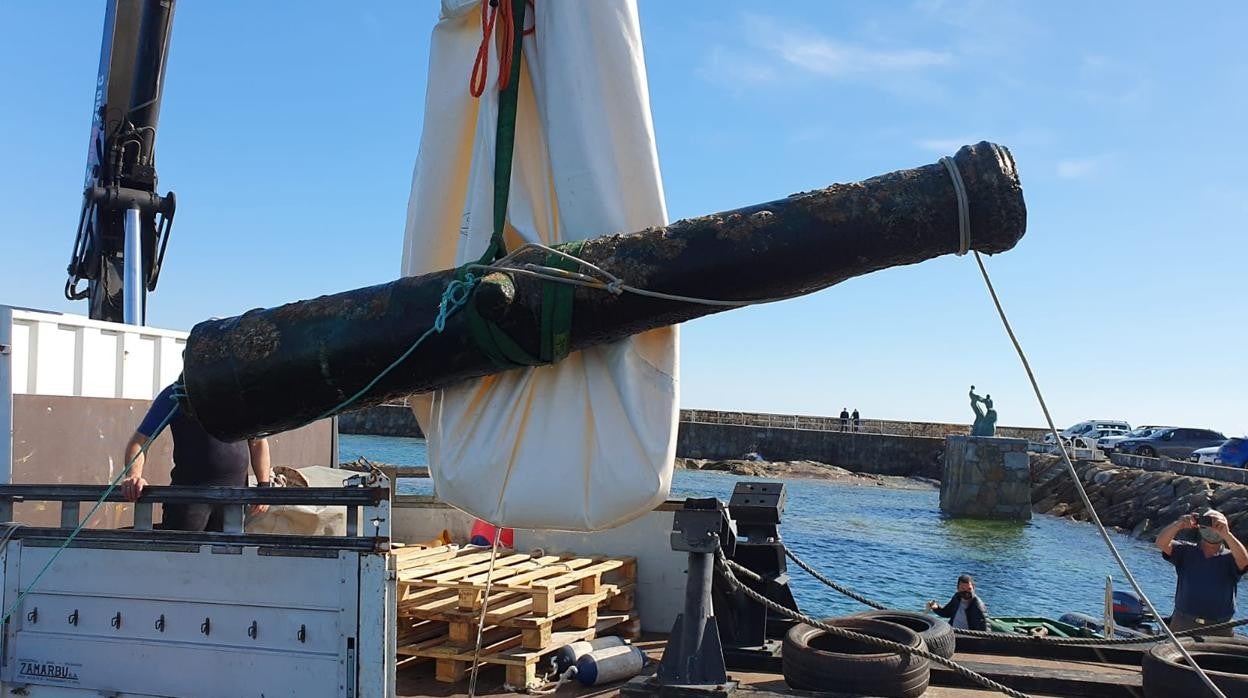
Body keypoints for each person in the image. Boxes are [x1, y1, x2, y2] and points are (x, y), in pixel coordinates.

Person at [121, 382, 271, 531]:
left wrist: (264, 485)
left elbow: (257, 442)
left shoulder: (242, 393)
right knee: (182, 553)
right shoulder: (177, 394)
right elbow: (140, 440)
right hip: (188, 500)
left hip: (234, 500)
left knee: (227, 554)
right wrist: (133, 476)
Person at [1155, 508, 1248, 636]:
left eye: (1217, 525)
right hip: (1183, 623)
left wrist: (1226, 534)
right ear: (1199, 527)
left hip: (1220, 627)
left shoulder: (1231, 557)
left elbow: (1244, 561)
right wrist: (1179, 524)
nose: (1212, 529)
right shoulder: (1185, 551)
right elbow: (1161, 543)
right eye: (1208, 523)